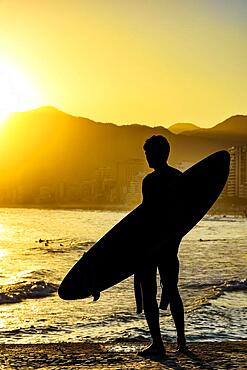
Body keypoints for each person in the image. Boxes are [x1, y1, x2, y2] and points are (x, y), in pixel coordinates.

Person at [134, 135, 186, 357]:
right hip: (168, 245)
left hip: (151, 245)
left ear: (158, 153)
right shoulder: (179, 178)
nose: (146, 157)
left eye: (148, 153)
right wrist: (174, 240)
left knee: (150, 294)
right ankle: (182, 343)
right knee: (172, 290)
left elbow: (147, 216)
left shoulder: (150, 181)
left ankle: (158, 344)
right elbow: (185, 216)